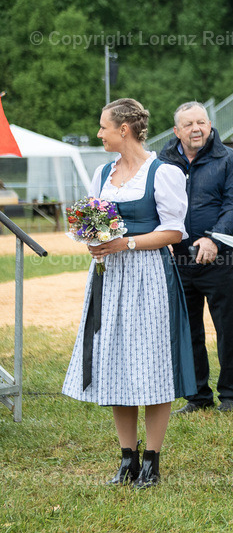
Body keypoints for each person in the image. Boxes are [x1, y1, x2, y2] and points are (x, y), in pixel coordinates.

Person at [62, 98, 194, 489]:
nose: (98, 133)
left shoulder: (163, 172)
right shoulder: (103, 172)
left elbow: (174, 232)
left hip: (148, 276)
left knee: (152, 365)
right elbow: (90, 220)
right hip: (108, 277)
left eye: (103, 127)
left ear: (124, 130)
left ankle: (152, 459)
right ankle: (127, 458)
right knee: (116, 361)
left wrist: (126, 243)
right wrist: (92, 240)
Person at [159, 102, 233, 414]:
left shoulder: (231, 159)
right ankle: (197, 396)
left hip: (220, 258)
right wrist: (162, 237)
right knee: (187, 329)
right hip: (177, 258)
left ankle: (232, 395)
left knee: (228, 327)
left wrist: (213, 238)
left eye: (201, 122)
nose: (196, 129)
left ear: (210, 125)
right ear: (176, 131)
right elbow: (156, 203)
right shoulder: (163, 162)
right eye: (188, 124)